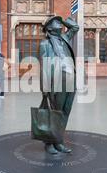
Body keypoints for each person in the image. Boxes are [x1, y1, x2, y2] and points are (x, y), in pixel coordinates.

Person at [33, 16, 79, 155]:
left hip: (70, 79)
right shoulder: (44, 44)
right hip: (56, 82)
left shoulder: (65, 38)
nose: (59, 24)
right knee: (54, 113)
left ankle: (59, 141)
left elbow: (75, 27)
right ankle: (49, 143)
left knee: (65, 112)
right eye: (56, 22)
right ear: (49, 28)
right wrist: (45, 89)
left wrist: (64, 21)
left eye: (60, 22)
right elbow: (44, 67)